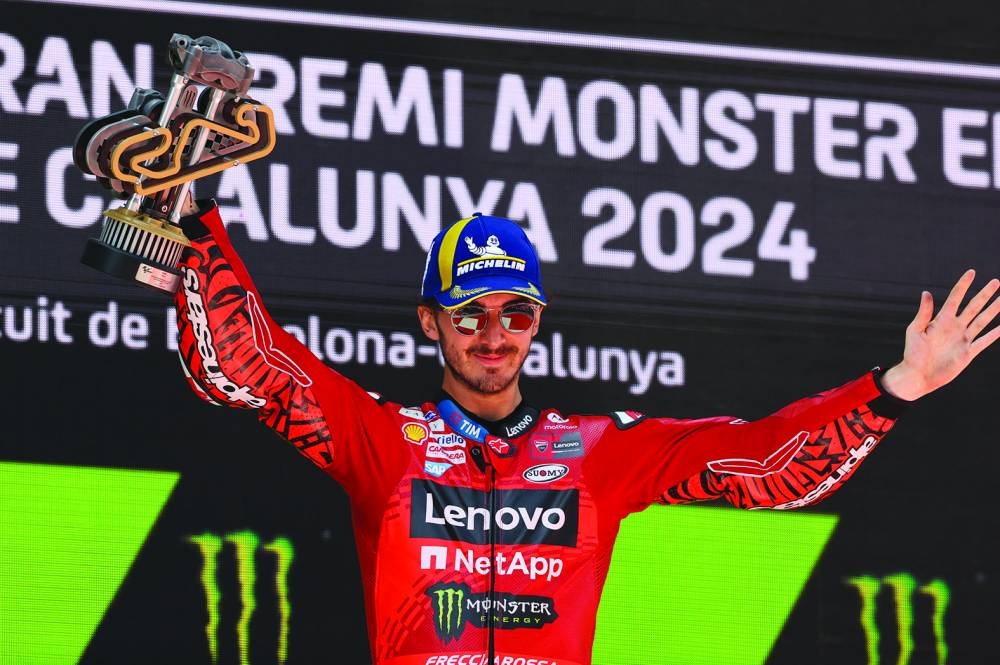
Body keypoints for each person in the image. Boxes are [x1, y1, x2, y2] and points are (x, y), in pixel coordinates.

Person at [171, 195, 999, 665]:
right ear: (430, 321)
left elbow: (764, 467)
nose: (494, 334)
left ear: (539, 320)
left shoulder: (600, 451)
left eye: (516, 312)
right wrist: (195, 222)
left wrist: (897, 387)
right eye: (470, 313)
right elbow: (251, 366)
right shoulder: (385, 440)